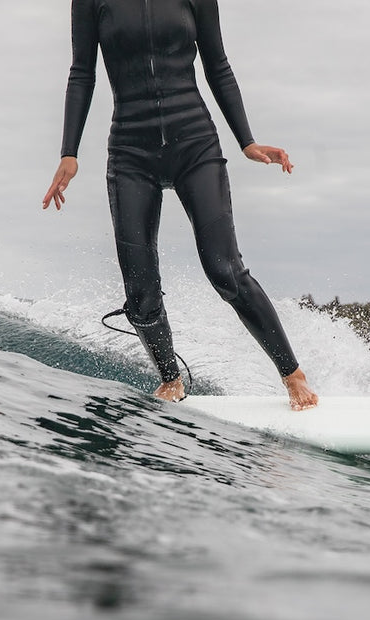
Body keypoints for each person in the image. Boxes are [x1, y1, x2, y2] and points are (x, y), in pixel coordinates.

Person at [43, 0, 318, 411]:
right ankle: (170, 379)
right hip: (130, 151)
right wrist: (69, 151)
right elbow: (82, 72)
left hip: (195, 144)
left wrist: (247, 141)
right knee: (140, 289)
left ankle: (293, 376)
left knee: (225, 270)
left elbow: (218, 65)